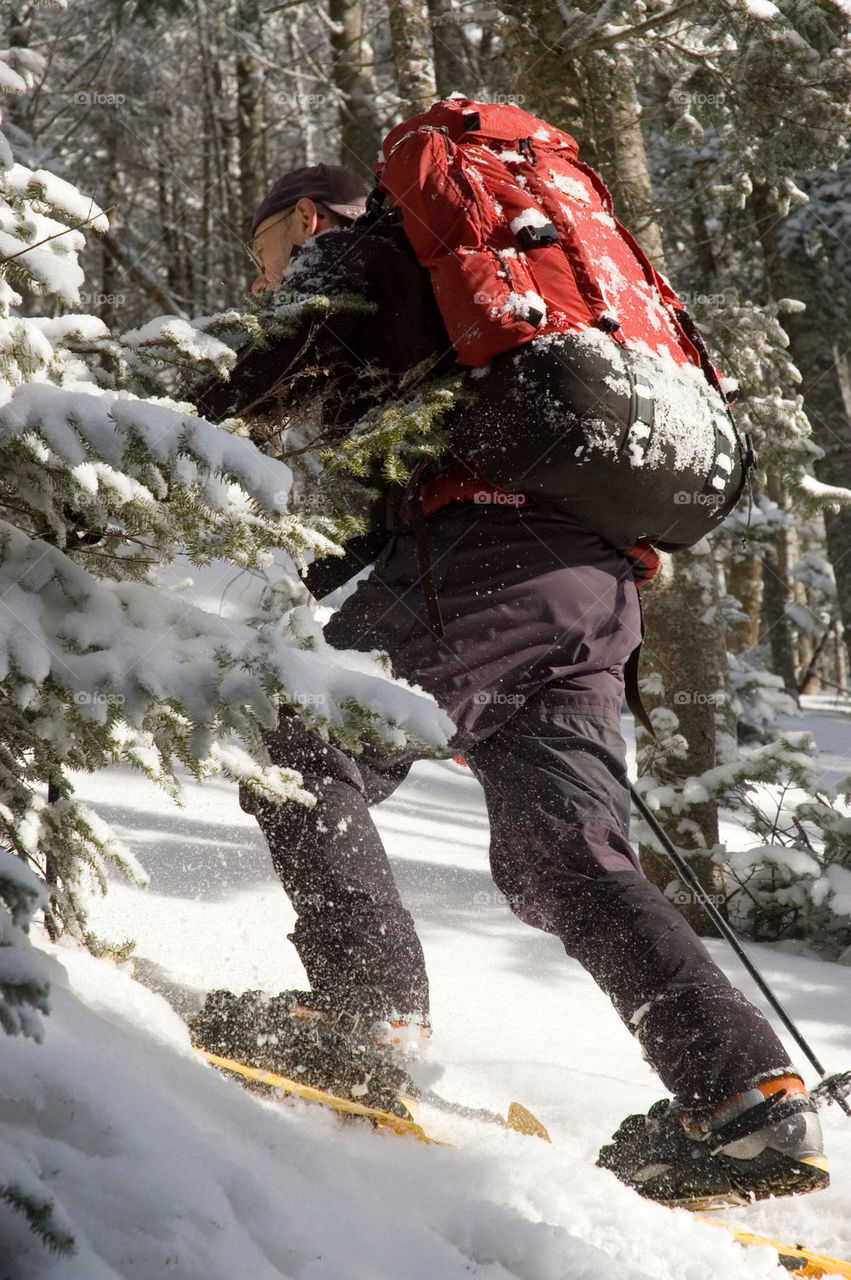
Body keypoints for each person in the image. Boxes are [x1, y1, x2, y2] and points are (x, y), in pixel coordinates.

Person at [189, 162, 828, 1206]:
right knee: (566, 857)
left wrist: (135, 457)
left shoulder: (350, 251)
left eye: (266, 252)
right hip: (593, 584)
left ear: (302, 219)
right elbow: (385, 502)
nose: (269, 276)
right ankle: (744, 1100)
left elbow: (266, 367)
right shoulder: (477, 296)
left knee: (302, 733)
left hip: (489, 554)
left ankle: (363, 1015)